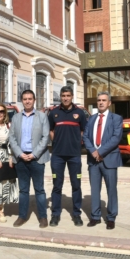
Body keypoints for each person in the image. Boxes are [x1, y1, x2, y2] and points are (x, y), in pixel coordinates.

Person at [9, 89, 50, 228]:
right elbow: (12, 138)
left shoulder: (42, 116)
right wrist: (20, 154)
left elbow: (46, 137)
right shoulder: (16, 118)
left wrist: (34, 154)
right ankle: (22, 216)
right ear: (22, 101)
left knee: (39, 189)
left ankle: (43, 217)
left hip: (36, 159)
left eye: (30, 99)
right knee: (23, 190)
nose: (27, 101)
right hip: (21, 159)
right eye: (25, 99)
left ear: (34, 100)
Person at [48, 85, 87, 227]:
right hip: (57, 156)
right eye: (63, 96)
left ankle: (76, 214)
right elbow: (50, 130)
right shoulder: (54, 113)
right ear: (60, 97)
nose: (65, 98)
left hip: (74, 156)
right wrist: (56, 141)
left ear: (72, 97)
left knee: (76, 185)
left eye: (68, 96)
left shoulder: (79, 113)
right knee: (57, 186)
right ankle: (55, 214)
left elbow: (84, 130)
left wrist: (76, 142)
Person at [83, 91, 123, 230]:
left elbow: (116, 138)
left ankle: (111, 217)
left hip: (109, 159)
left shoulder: (116, 118)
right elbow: (86, 137)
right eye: (99, 100)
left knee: (111, 189)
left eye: (104, 100)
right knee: (95, 189)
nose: (100, 102)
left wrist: (100, 151)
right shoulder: (91, 119)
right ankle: (95, 216)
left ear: (109, 103)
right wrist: (93, 152)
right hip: (93, 161)